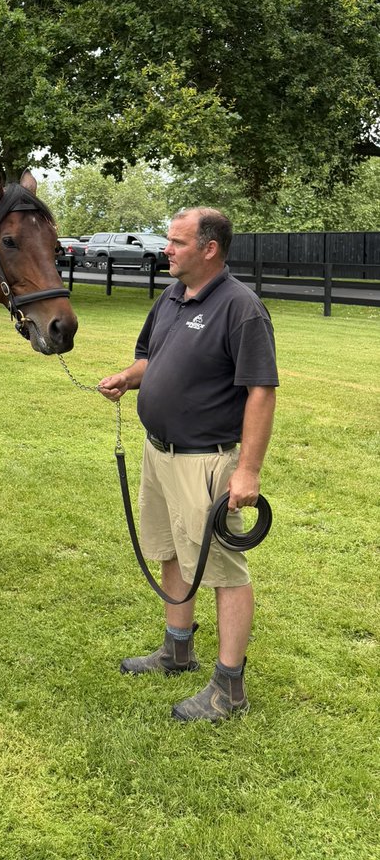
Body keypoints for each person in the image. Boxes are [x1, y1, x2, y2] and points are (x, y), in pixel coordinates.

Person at [98, 207, 277, 721]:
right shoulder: (172, 296)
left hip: (207, 462)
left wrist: (247, 470)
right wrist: (128, 378)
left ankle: (229, 688)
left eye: (176, 243)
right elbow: (151, 357)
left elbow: (261, 393)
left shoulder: (241, 309)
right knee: (171, 553)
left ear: (209, 249)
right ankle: (177, 650)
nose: (166, 250)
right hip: (160, 451)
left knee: (223, 570)